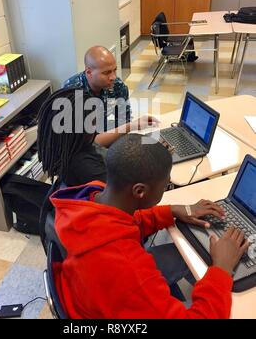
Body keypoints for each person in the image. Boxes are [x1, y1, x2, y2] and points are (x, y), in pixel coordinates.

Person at [50, 134, 249, 319]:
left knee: (187, 254)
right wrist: (222, 269)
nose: (167, 186)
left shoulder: (94, 197)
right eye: (165, 185)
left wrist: (172, 211)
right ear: (139, 191)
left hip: (85, 290)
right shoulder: (130, 271)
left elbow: (126, 220)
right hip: (107, 308)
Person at [37, 89, 157, 187]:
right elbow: (125, 195)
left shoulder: (71, 146)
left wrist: (132, 125)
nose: (96, 126)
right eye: (92, 122)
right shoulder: (88, 169)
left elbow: (97, 141)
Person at [63, 46, 131, 131]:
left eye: (114, 70)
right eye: (107, 73)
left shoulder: (117, 85)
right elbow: (73, 137)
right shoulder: (72, 91)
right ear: (89, 73)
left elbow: (124, 120)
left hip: (108, 134)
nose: (113, 77)